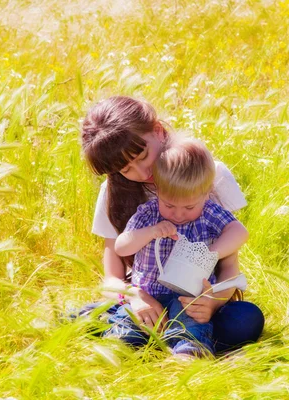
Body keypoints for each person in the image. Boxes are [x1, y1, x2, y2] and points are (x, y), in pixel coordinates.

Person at [79, 96, 264, 354]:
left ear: (157, 130)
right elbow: (112, 276)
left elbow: (230, 265)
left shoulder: (208, 174)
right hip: (145, 297)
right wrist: (134, 298)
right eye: (125, 169)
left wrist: (213, 302)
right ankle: (147, 332)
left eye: (142, 155)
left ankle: (180, 338)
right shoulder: (113, 192)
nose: (142, 173)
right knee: (122, 327)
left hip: (196, 298)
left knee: (245, 320)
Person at [110, 136, 249, 356]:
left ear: (206, 193)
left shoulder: (209, 213)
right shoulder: (149, 214)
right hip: (147, 297)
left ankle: (186, 354)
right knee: (125, 330)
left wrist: (209, 254)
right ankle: (122, 346)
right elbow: (121, 247)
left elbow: (240, 232)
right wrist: (150, 232)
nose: (178, 214)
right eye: (169, 205)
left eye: (189, 206)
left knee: (191, 325)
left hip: (188, 296)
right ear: (158, 190)